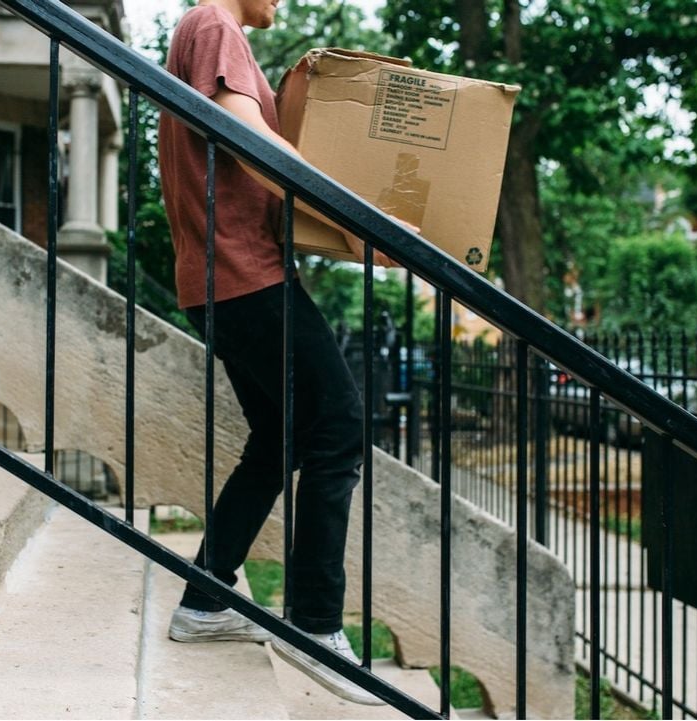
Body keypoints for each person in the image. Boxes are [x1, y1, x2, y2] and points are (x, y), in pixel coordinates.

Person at [156, 0, 392, 707]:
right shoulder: (213, 24)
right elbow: (247, 138)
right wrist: (364, 219)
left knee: (279, 438)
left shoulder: (211, 33)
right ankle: (313, 623)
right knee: (338, 425)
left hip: (223, 280)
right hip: (244, 276)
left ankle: (205, 599)